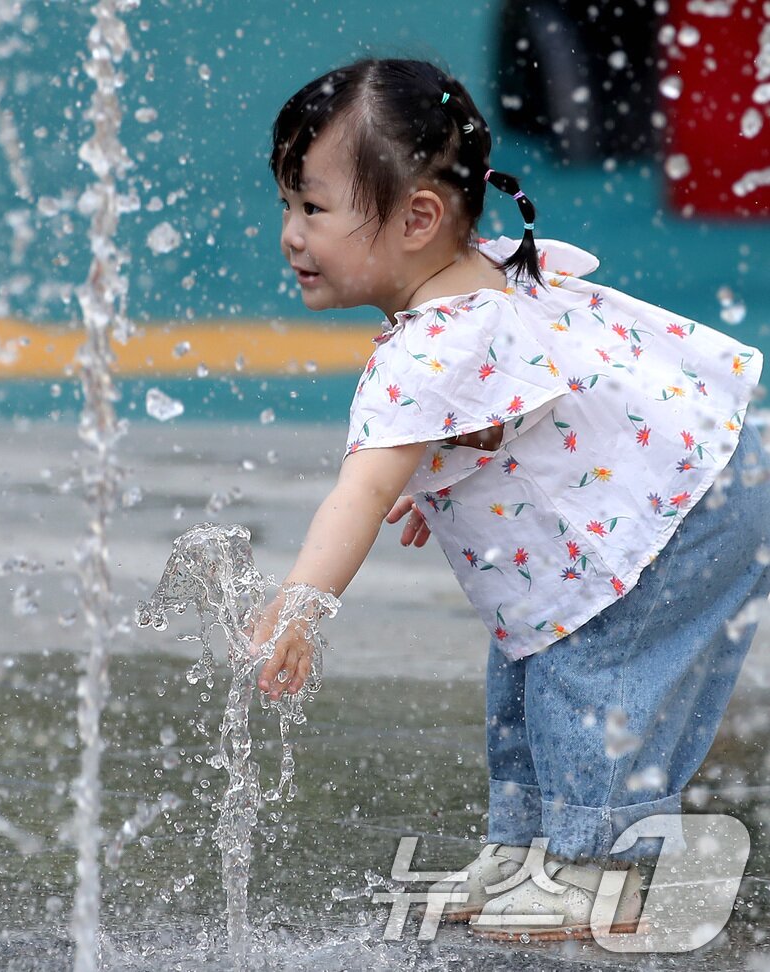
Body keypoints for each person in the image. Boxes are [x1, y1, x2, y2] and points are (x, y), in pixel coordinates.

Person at [250, 57, 769, 941]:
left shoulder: (425, 352)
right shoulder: (477, 281)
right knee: (528, 662)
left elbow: (359, 490)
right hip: (696, 489)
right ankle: (530, 848)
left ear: (417, 217)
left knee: (587, 674)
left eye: (312, 207)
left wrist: (302, 604)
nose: (291, 234)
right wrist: (445, 473)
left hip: (678, 517)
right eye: (289, 205)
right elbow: (516, 412)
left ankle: (600, 870)